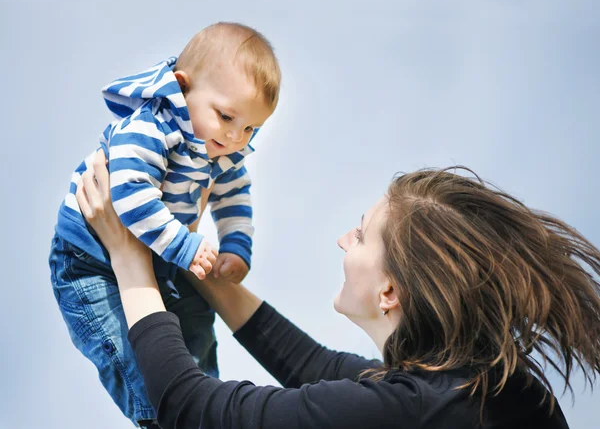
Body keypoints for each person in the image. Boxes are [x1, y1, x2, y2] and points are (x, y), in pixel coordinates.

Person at [76, 151, 600, 429]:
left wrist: (129, 257)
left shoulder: (418, 407)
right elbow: (314, 365)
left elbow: (193, 410)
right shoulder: (474, 385)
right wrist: (187, 253)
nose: (342, 240)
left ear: (390, 292)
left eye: (361, 233)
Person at [48, 22, 281, 427]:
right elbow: (130, 195)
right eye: (226, 116)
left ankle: (205, 406)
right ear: (182, 87)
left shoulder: (218, 146)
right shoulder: (150, 126)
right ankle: (161, 420)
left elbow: (234, 194)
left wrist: (235, 247)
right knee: (131, 356)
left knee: (197, 329)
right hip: (90, 262)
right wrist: (187, 245)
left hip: (163, 256)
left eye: (249, 128)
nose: (236, 136)